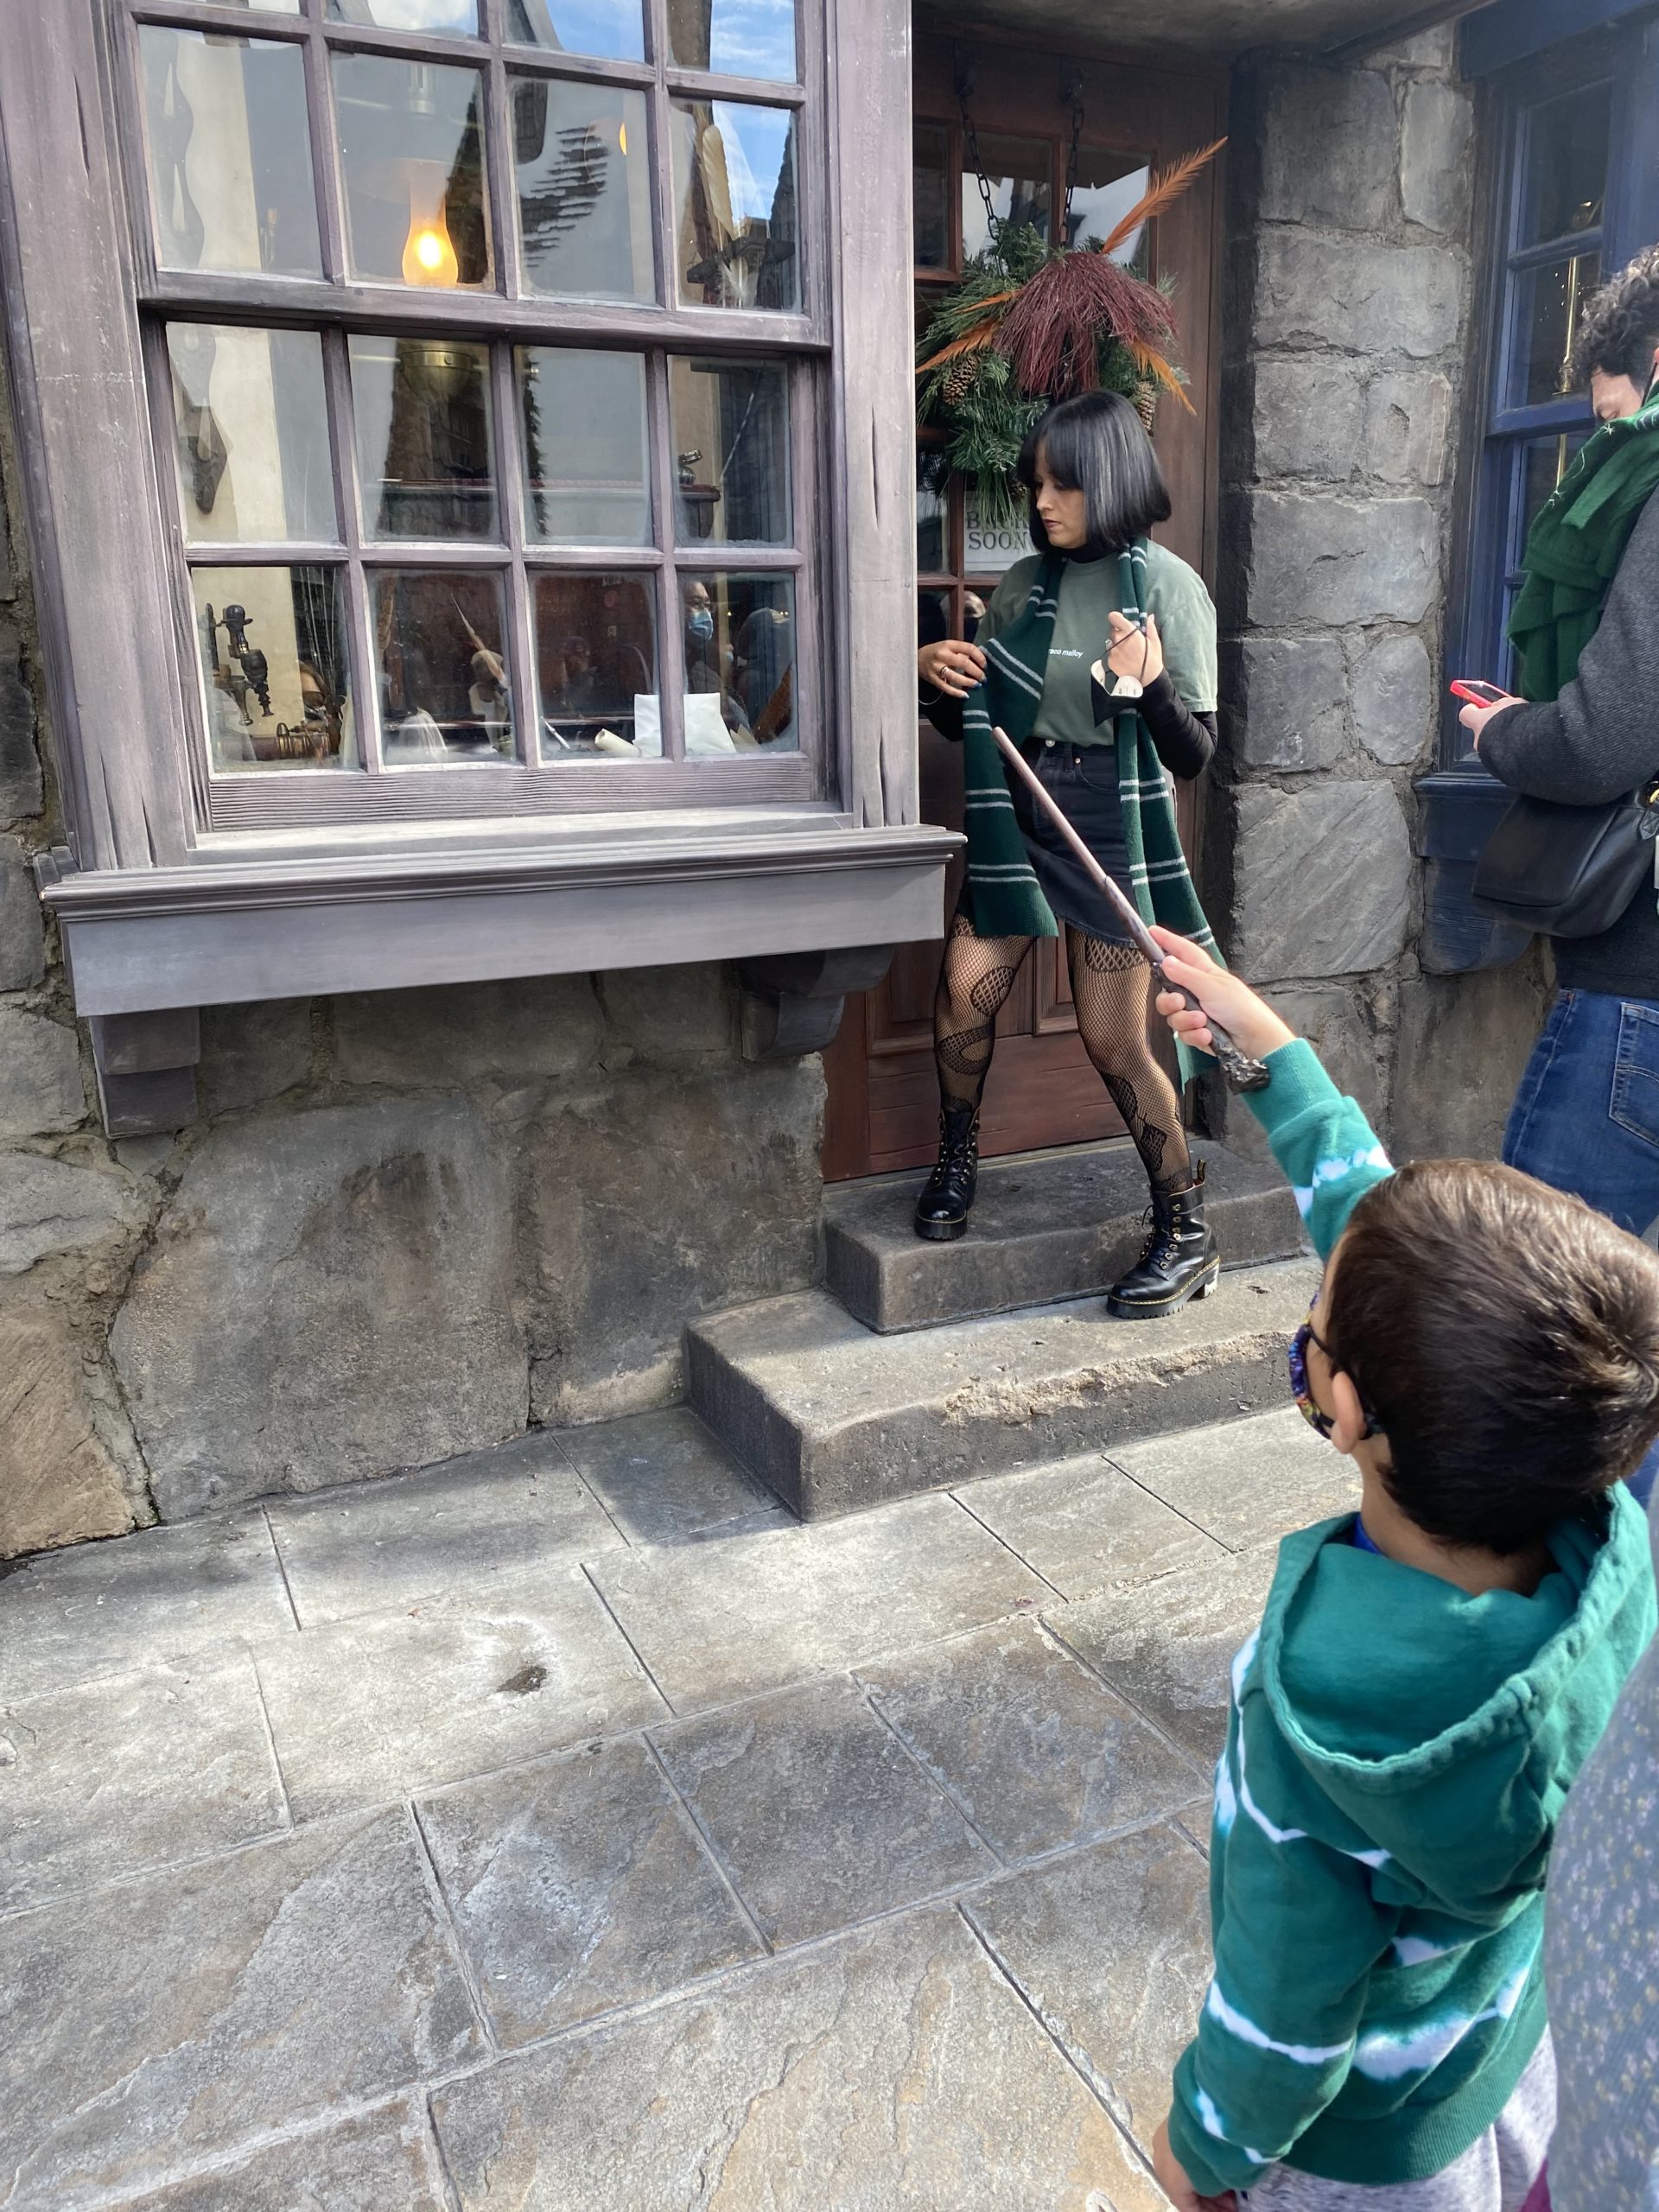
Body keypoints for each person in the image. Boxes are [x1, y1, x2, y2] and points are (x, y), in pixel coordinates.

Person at [1141, 928, 1659, 2212]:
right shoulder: (1607, 1545)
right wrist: (1276, 1060)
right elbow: (1397, 1267)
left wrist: (1199, 2153)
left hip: (1360, 2159)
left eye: (1310, 1333)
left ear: (1345, 1412)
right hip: (1511, 2059)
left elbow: (1282, 2008)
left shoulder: (1314, 1719)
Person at [913, 391, 1222, 1316]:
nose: (1042, 502)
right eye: (1036, 484)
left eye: (1063, 484)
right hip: (1020, 804)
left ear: (1111, 480)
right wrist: (936, 680)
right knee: (963, 994)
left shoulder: (1168, 587)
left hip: (1111, 815)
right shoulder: (1022, 585)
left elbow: (1193, 755)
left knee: (1113, 1037)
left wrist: (1152, 685)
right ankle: (956, 1154)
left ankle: (1186, 1230)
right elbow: (977, 718)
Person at [1457, 249, 1659, 1508]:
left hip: (1642, 987)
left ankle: (1580, 1607)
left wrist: (1501, 732)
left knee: (1550, 1323)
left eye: (1611, 408)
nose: (1603, 439)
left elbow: (1602, 737)